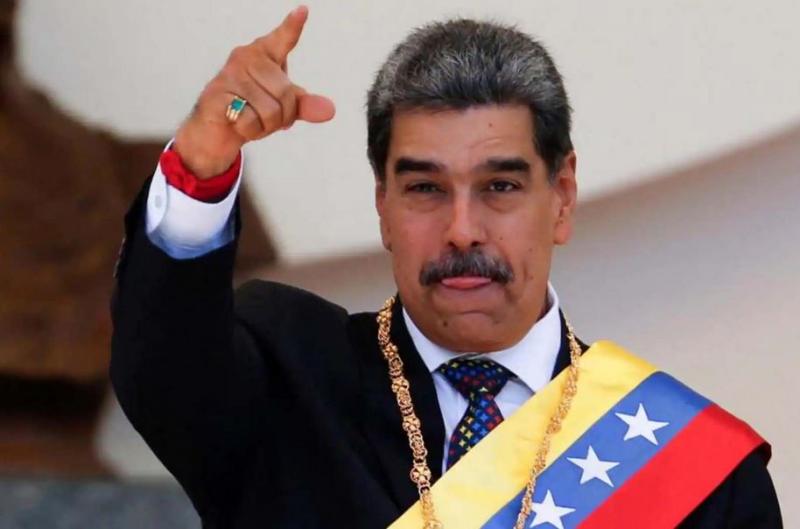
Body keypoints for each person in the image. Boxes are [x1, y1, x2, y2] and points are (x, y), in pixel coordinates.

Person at [110, 6, 782, 528]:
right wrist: (202, 160)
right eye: (425, 189)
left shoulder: (694, 471)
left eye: (500, 186)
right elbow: (164, 367)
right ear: (383, 204)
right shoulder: (285, 378)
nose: (462, 230)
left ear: (562, 196)